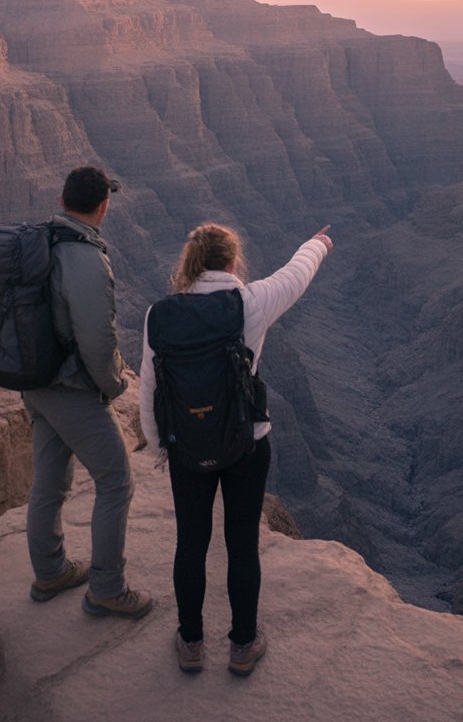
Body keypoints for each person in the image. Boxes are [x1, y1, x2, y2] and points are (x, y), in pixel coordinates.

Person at [139, 222, 333, 676]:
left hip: (186, 448)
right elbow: (297, 273)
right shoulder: (250, 302)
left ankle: (190, 643)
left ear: (191, 262)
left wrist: (158, 447)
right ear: (232, 262)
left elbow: (151, 389)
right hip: (246, 444)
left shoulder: (157, 315)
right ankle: (243, 645)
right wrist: (318, 243)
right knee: (241, 544)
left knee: (191, 542)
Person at [23, 166, 152, 619]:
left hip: (34, 381)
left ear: (61, 199)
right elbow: (97, 340)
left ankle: (51, 570)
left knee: (50, 482)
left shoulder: (39, 240)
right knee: (116, 479)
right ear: (104, 207)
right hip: (69, 387)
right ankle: (107, 588)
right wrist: (115, 383)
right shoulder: (85, 257)